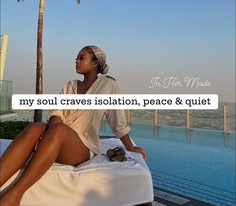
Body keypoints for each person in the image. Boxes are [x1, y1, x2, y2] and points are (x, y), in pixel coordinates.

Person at [0, 45, 147, 206]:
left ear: (95, 63)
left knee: (59, 130)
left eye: (81, 58)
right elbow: (57, 113)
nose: (76, 61)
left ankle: (13, 195)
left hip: (82, 146)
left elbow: (118, 122)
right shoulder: (69, 86)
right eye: (76, 58)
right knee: (34, 127)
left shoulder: (108, 86)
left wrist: (131, 147)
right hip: (56, 136)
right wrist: (45, 135)